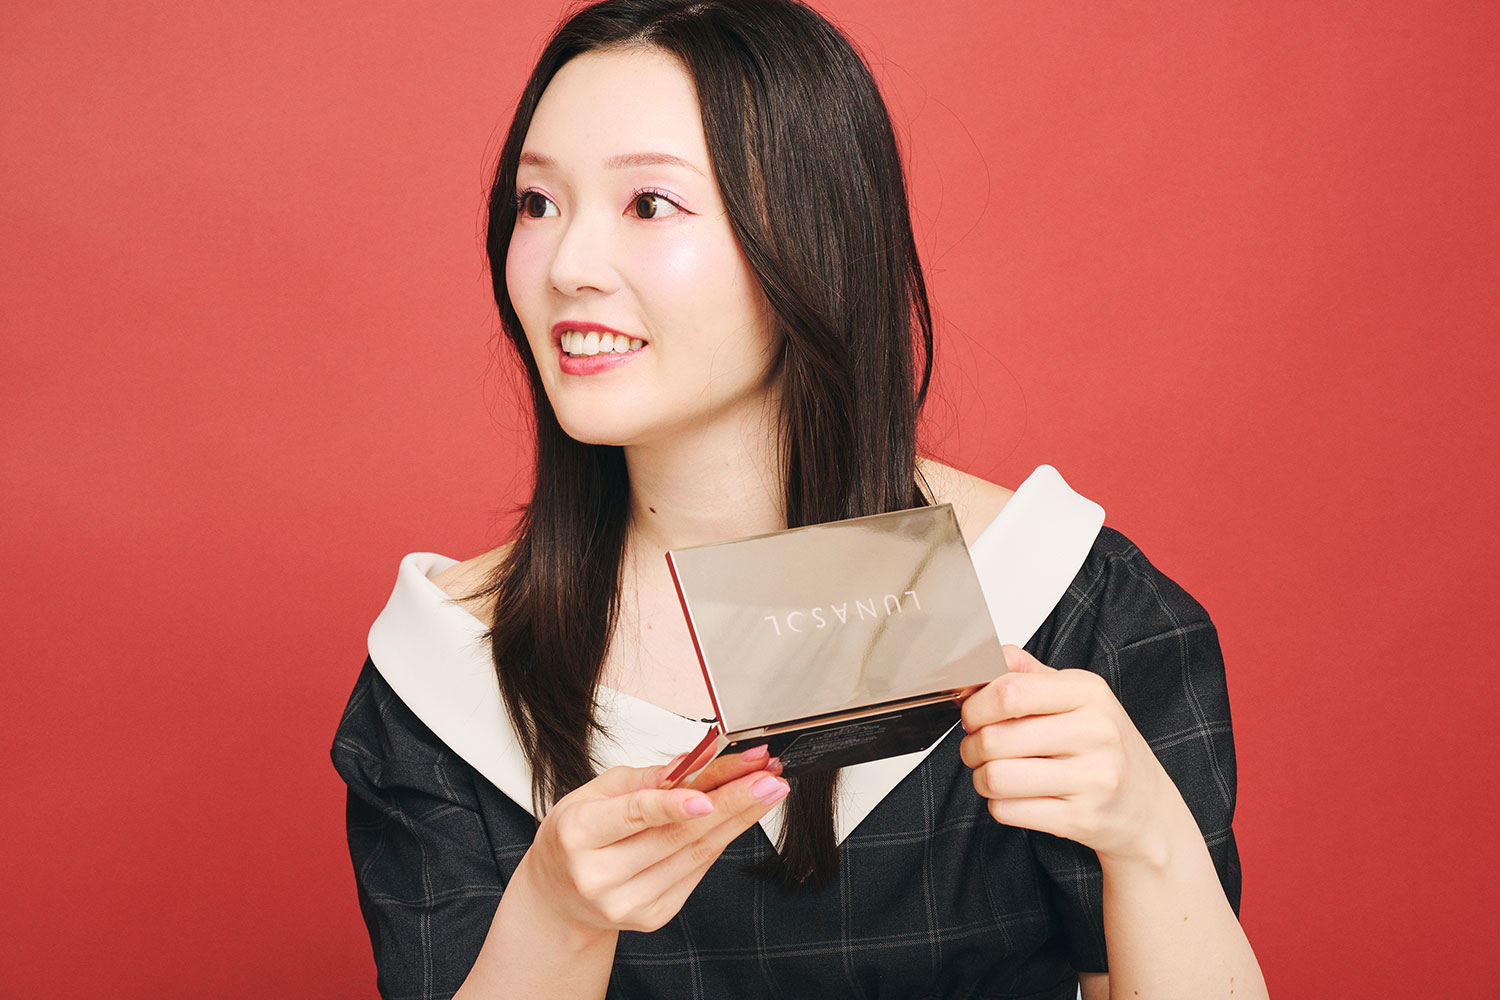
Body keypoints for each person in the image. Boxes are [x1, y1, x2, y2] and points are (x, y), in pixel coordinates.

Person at [330, 1, 1268, 997]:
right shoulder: (446, 674)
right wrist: (555, 916)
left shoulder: (1070, 605)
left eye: (648, 204)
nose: (566, 267)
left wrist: (1149, 838)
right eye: (537, 202)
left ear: (813, 239)